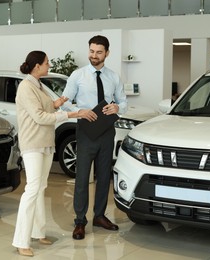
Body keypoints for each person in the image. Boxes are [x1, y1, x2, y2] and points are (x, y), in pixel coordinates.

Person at [12, 50, 79, 257]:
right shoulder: (26, 87)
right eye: (47, 63)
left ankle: (38, 232)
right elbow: (40, 116)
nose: (49, 66)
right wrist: (69, 114)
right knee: (32, 189)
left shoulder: (38, 85)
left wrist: (57, 103)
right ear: (37, 66)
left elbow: (45, 107)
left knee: (41, 187)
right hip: (33, 144)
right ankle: (21, 240)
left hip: (45, 143)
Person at [61, 35, 128, 240]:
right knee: (82, 178)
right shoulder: (77, 75)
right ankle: (80, 221)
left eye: (99, 52)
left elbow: (123, 103)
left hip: (107, 131)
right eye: (91, 51)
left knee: (103, 177)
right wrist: (80, 110)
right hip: (86, 131)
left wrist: (117, 107)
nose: (94, 56)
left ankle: (99, 216)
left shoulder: (114, 77)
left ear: (107, 53)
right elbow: (65, 102)